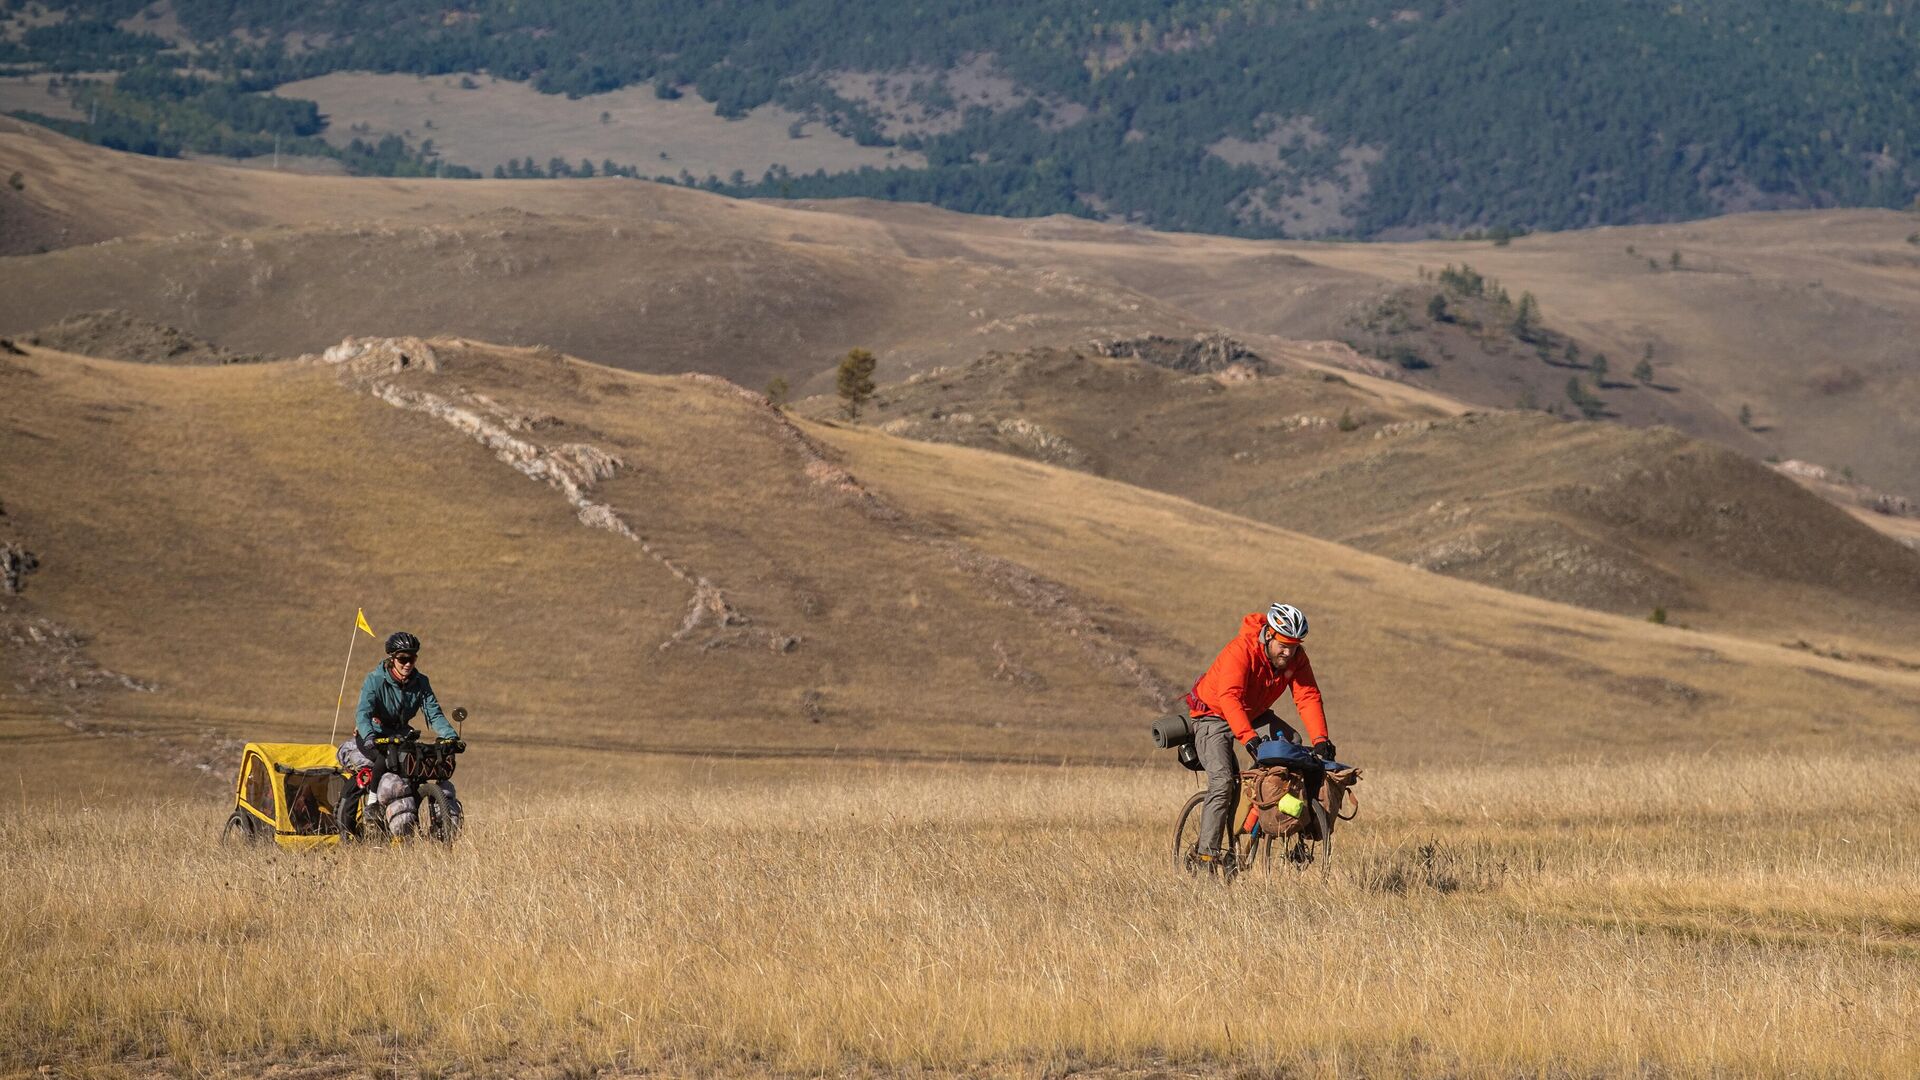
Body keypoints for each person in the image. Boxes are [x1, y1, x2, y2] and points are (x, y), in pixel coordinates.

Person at [1184, 603, 1335, 861]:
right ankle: (1204, 857)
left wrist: (1321, 739)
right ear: (1269, 634)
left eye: (1294, 646)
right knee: (1221, 785)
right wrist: (1249, 739)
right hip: (1213, 715)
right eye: (1283, 645)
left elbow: (1307, 696)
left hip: (1253, 713)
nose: (1288, 652)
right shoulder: (1241, 650)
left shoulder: (1297, 658)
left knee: (1293, 744)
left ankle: (1264, 803)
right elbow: (1230, 698)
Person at [336, 631, 462, 836]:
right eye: (403, 659)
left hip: (401, 735)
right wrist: (368, 736)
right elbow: (363, 712)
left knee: (413, 767)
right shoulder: (375, 680)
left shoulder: (421, 682)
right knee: (384, 760)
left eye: (411, 659)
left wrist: (451, 737)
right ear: (392, 658)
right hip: (374, 735)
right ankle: (373, 804)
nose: (407, 664)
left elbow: (434, 713)